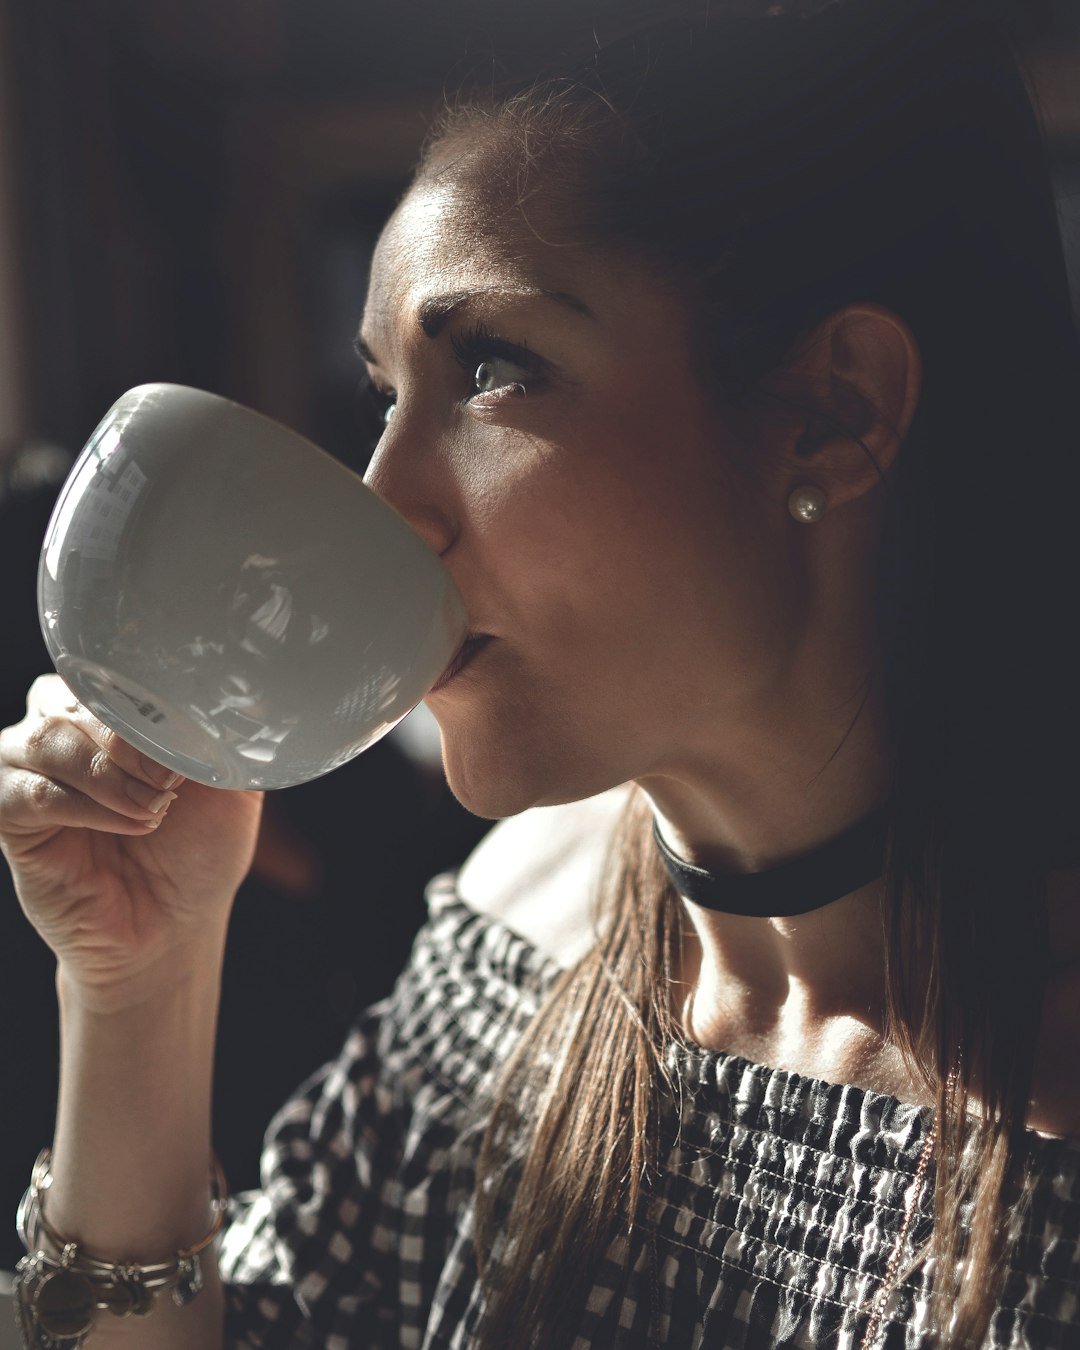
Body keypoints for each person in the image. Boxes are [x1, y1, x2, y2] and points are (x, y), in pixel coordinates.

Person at [2, 0, 1078, 1345]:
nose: (386, 500)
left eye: (495, 368)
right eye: (387, 394)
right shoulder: (515, 929)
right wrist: (140, 987)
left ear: (834, 409)